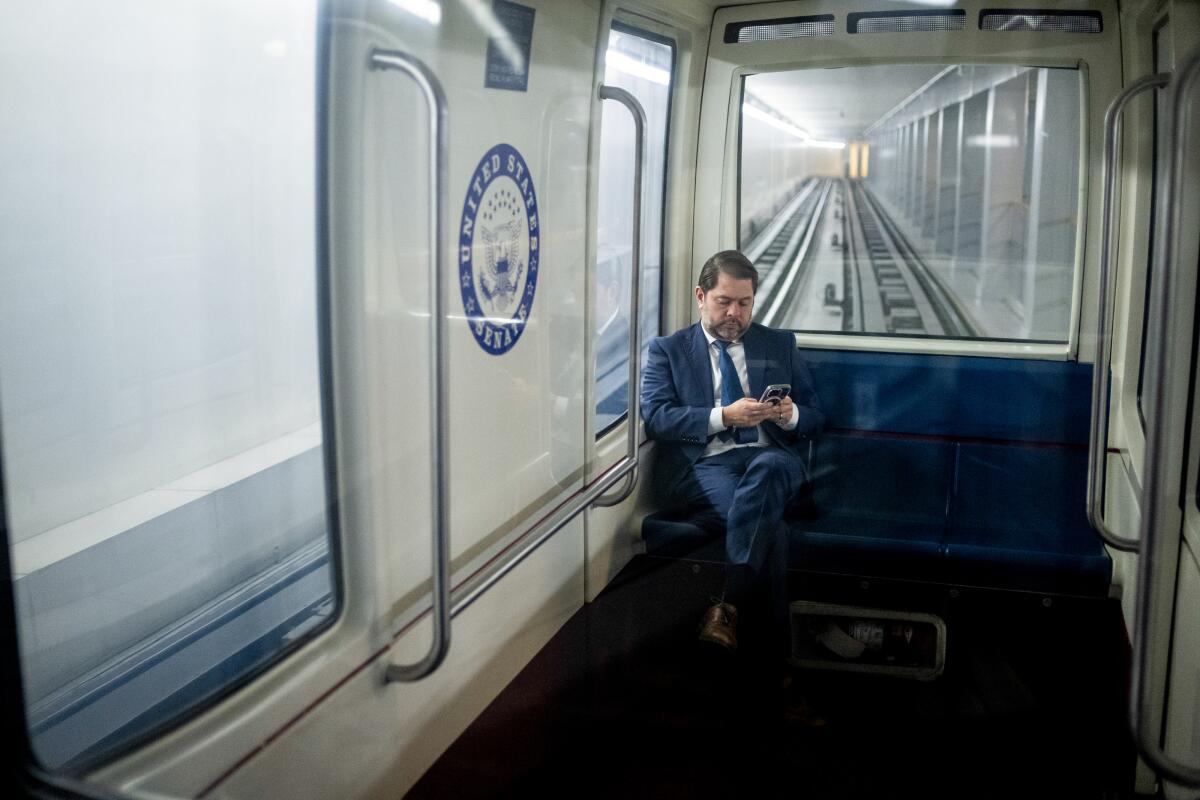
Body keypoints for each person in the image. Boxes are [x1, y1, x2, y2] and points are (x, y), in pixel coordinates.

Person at [641, 250, 823, 656]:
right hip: (706, 465)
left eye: (745, 304)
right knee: (770, 531)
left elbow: (817, 416)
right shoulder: (667, 351)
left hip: (770, 460)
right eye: (725, 302)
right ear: (700, 295)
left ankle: (728, 606)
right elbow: (656, 417)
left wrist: (791, 416)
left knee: (772, 467)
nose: (734, 314)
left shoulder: (778, 344)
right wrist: (723, 416)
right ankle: (776, 679)